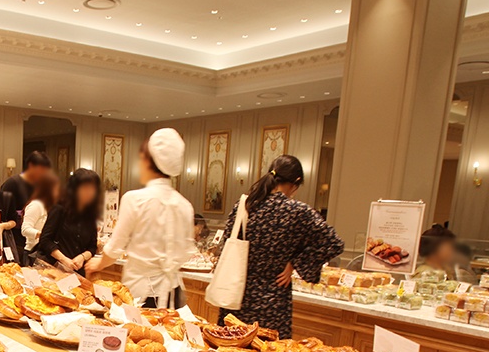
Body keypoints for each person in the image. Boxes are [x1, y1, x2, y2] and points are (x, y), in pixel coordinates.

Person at [215, 155, 343, 337]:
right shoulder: (297, 211)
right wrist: (295, 263)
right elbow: (333, 242)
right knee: (270, 350)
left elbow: (227, 241)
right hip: (273, 299)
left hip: (236, 295)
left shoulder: (244, 206)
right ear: (296, 182)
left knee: (232, 346)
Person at [88, 129, 196, 308]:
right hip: (174, 292)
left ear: (148, 161)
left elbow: (115, 248)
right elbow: (186, 252)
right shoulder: (185, 205)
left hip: (143, 293)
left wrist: (98, 264)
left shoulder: (135, 199)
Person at [36, 168, 101, 274]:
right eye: (85, 188)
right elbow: (45, 240)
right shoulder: (60, 209)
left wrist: (82, 257)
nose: (90, 192)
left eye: (93, 188)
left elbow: (92, 246)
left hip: (77, 272)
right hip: (54, 269)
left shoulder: (90, 214)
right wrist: (64, 260)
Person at [20, 172, 57, 264]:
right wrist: (43, 235)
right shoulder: (36, 205)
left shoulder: (53, 206)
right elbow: (25, 229)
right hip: (33, 252)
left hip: (47, 252)